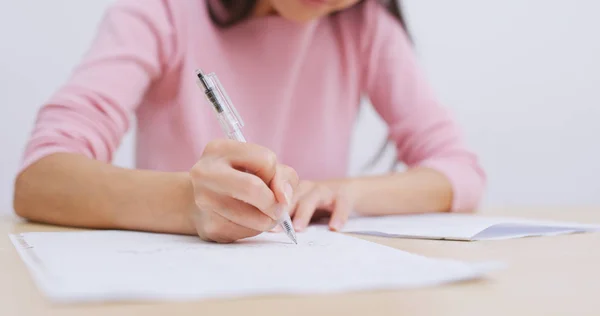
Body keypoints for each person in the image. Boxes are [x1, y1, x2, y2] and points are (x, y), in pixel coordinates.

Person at [13, 0, 486, 243]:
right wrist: (189, 205)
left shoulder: (364, 26)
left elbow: (459, 170)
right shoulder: (163, 11)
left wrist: (344, 192)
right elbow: (41, 178)